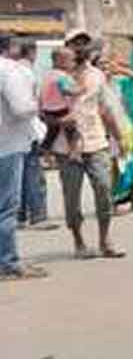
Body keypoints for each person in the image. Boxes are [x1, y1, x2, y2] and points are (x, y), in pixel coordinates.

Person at [53, 39, 126, 260]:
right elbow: (44, 110)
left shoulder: (96, 76)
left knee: (104, 187)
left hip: (96, 141)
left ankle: (105, 240)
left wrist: (119, 137)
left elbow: (105, 109)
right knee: (72, 196)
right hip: (66, 146)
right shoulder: (55, 79)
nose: (67, 62)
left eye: (72, 58)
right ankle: (79, 241)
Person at [0, 33, 47, 280]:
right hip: (7, 145)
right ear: (10, 48)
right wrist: (37, 104)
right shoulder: (10, 71)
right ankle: (8, 263)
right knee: (7, 207)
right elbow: (21, 108)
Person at [101, 55, 133, 214]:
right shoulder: (97, 86)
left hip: (126, 128)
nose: (106, 69)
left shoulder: (116, 83)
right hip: (110, 131)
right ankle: (112, 204)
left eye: (107, 65)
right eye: (101, 66)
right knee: (116, 168)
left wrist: (123, 71)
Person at [14, 41, 54, 231]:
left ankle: (20, 215)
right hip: (29, 129)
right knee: (33, 173)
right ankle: (38, 214)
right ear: (32, 52)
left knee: (18, 174)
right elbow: (37, 103)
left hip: (12, 135)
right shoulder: (27, 72)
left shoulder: (10, 70)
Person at [39, 47, 84, 160]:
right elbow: (66, 90)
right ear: (60, 61)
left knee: (51, 133)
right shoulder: (61, 76)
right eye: (71, 60)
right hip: (60, 109)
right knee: (72, 130)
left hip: (47, 110)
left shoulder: (47, 75)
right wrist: (80, 90)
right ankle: (74, 152)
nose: (73, 63)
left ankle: (45, 152)